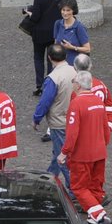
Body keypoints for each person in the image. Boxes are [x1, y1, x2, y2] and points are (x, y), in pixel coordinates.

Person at [60, 71, 112, 224]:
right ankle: (91, 222)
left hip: (82, 155)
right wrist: (102, 145)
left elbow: (72, 133)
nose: (73, 84)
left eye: (74, 82)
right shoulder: (98, 101)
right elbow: (106, 130)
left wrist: (64, 152)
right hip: (99, 152)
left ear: (78, 84)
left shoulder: (76, 104)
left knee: (79, 187)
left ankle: (100, 217)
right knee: (95, 188)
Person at [31, 44, 77, 187]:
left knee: (61, 157)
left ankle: (74, 190)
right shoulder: (75, 71)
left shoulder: (53, 78)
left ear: (49, 58)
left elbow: (45, 102)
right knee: (58, 151)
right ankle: (49, 178)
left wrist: (36, 118)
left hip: (59, 121)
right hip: (74, 120)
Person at [24, 0, 64, 92]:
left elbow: (36, 17)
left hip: (39, 34)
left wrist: (29, 13)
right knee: (51, 59)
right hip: (53, 33)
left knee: (38, 58)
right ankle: (50, 84)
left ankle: (39, 85)